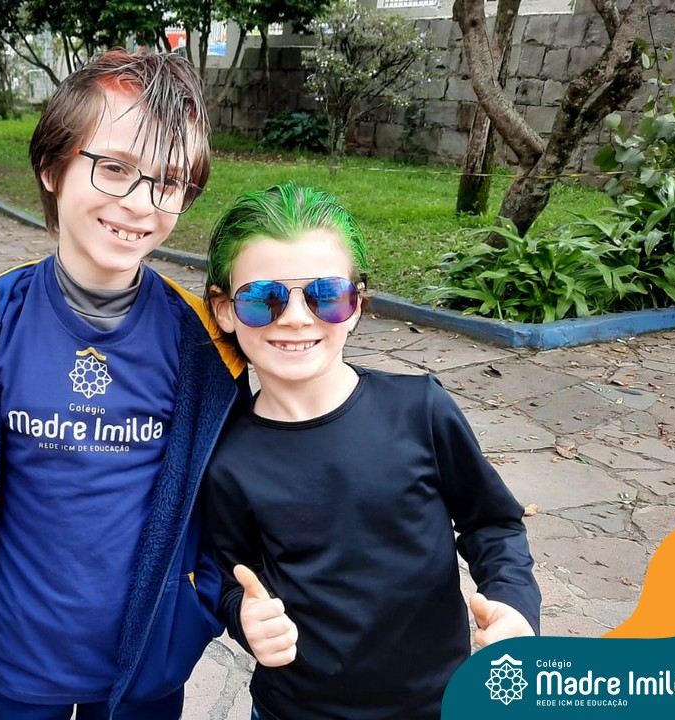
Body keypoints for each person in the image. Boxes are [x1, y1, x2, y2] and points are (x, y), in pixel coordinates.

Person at [0, 50, 249, 719]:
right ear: (53, 167)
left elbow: (232, 488)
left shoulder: (205, 346)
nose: (138, 204)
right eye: (114, 168)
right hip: (14, 662)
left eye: (169, 181)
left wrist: (198, 607)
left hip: (144, 666)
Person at [201, 182, 540, 720]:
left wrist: (513, 602)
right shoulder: (225, 456)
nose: (296, 317)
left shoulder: (419, 409)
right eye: (263, 298)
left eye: (325, 295)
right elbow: (225, 575)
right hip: (295, 710)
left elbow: (492, 522)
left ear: (355, 304)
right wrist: (244, 618)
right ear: (224, 309)